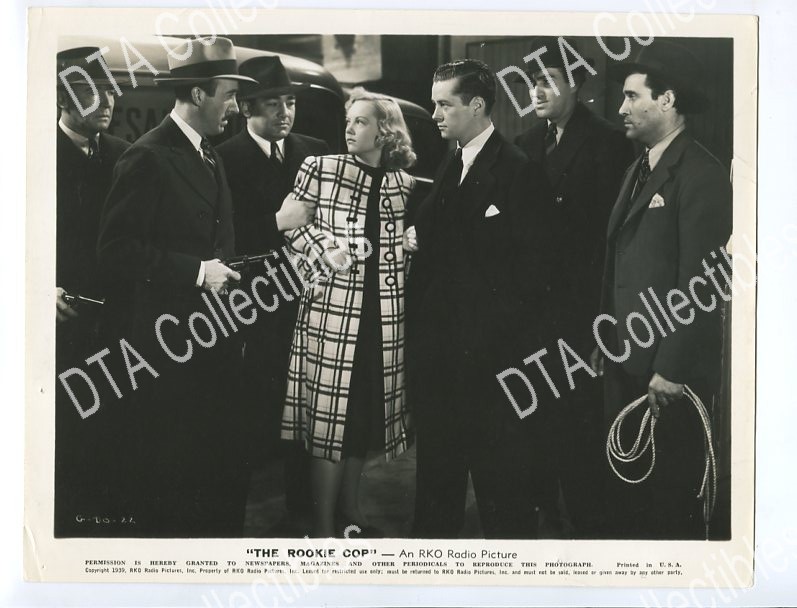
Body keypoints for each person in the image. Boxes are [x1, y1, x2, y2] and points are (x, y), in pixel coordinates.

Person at [96, 37, 257, 537]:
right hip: (169, 347)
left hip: (215, 340)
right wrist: (196, 272)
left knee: (217, 471)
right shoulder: (147, 156)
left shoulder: (209, 153)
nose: (236, 107)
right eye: (229, 95)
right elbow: (116, 250)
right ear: (198, 94)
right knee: (176, 479)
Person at [592, 41, 732, 539]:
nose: (621, 108)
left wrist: (671, 369)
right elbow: (621, 262)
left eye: (632, 96)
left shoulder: (701, 174)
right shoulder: (638, 169)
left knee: (669, 509)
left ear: (667, 100)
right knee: (632, 504)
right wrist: (607, 338)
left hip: (668, 377)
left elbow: (703, 283)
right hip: (629, 361)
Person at [409, 59, 553, 539]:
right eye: (434, 105)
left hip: (493, 368)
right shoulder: (452, 161)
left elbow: (532, 279)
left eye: (444, 105)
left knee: (503, 496)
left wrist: (491, 351)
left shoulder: (518, 170)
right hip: (442, 363)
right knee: (437, 489)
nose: (435, 115)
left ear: (476, 106)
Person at [281, 88, 416, 538]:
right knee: (328, 421)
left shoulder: (403, 184)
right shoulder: (320, 168)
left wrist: (408, 244)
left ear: (385, 131)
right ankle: (322, 528)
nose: (349, 128)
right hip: (333, 316)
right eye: (348, 120)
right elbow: (293, 227)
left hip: (383, 320)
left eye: (360, 121)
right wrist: (326, 250)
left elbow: (399, 246)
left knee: (360, 417)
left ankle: (351, 511)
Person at [513, 37, 635, 538]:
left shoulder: (608, 143)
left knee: (579, 422)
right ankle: (544, 512)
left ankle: (589, 525)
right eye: (531, 83)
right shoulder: (524, 143)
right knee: (534, 417)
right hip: (530, 309)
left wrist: (605, 318)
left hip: (581, 311)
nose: (537, 92)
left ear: (577, 85)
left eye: (548, 82)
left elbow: (612, 240)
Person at [217, 56, 329, 534]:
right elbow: (222, 237)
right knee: (252, 414)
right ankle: (236, 522)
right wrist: (276, 223)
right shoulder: (222, 157)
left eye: (290, 103)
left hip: (312, 301)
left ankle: (304, 511)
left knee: (307, 407)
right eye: (272, 104)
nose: (285, 113)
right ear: (245, 108)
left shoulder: (315, 152)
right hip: (255, 307)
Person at [54, 46, 131, 536]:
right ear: (63, 98)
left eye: (110, 90)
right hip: (60, 321)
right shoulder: (31, 153)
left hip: (116, 320)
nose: (107, 102)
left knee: (113, 432)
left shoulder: (123, 154)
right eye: (91, 92)